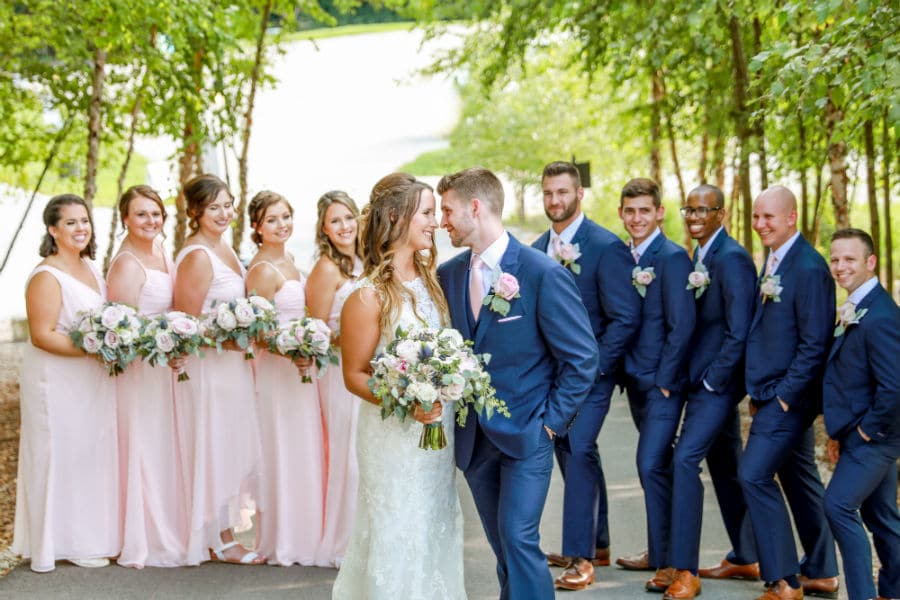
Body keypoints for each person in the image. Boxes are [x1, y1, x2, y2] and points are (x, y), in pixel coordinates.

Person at [437, 167, 598, 600]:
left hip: (528, 434)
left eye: (448, 210)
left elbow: (582, 357)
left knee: (519, 538)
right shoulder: (448, 275)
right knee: (503, 548)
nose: (442, 221)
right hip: (474, 440)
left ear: (475, 207)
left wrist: (551, 423)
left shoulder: (540, 273)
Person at [333, 172, 465, 599]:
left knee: (432, 525)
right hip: (392, 438)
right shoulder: (366, 296)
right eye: (427, 213)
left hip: (436, 438)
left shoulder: (432, 282)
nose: (436, 222)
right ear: (396, 216)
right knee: (397, 531)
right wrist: (408, 403)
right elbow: (354, 374)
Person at [531, 161, 640, 591]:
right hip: (552, 377)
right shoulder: (537, 248)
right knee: (571, 451)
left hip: (592, 375)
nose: (555, 201)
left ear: (579, 194)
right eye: (548, 193)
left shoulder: (606, 246)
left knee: (577, 447)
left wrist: (595, 370)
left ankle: (580, 557)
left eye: (562, 192)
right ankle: (597, 543)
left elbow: (625, 317)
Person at [739, 185, 839, 600]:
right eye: (757, 217)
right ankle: (822, 570)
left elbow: (815, 343)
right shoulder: (776, 259)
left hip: (789, 398)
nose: (761, 224)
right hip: (771, 392)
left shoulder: (810, 268)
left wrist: (782, 397)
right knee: (800, 479)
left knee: (753, 474)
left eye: (769, 218)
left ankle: (783, 579)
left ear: (792, 217)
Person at [13, 194, 120, 572]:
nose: (81, 229)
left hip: (89, 378)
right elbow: (43, 334)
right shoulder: (46, 275)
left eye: (85, 221)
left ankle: (88, 534)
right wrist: (93, 349)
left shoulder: (92, 268)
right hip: (54, 379)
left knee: (89, 453)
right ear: (53, 230)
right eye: (71, 222)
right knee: (60, 454)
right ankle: (58, 542)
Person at [664, 185, 758, 599]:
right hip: (702, 379)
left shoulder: (733, 259)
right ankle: (747, 555)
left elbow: (739, 332)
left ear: (722, 213)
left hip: (715, 384)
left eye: (704, 209)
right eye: (690, 209)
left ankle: (685, 570)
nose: (695, 216)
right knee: (726, 465)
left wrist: (712, 381)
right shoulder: (701, 255)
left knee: (684, 460)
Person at [172, 174, 265, 565]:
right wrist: (228, 338)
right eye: (214, 207)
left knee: (233, 447)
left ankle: (225, 531)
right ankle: (218, 538)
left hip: (233, 367)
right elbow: (185, 323)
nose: (224, 213)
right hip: (210, 370)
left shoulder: (223, 247)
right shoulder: (197, 255)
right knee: (215, 447)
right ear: (195, 212)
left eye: (228, 204)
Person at [613, 177, 695, 594]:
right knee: (654, 469)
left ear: (659, 212)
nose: (637, 217)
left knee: (650, 464)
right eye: (630, 211)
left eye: (645, 210)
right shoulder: (623, 255)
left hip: (662, 383)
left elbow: (683, 325)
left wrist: (665, 380)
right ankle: (658, 552)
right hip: (635, 379)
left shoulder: (673, 257)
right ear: (622, 214)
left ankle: (670, 564)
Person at [106, 185, 187, 568]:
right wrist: (161, 342)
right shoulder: (126, 263)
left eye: (156, 214)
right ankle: (146, 534)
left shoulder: (159, 252)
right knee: (145, 445)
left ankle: (171, 524)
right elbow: (122, 331)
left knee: (164, 445)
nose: (151, 221)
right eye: (142, 214)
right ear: (125, 218)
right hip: (140, 371)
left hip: (164, 366)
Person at [246, 191, 326, 566]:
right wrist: (293, 350)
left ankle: (308, 534)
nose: (282, 225)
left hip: (302, 369)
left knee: (304, 448)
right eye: (272, 220)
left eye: (286, 217)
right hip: (279, 371)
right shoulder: (262, 270)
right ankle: (285, 540)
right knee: (283, 448)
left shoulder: (291, 260)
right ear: (257, 227)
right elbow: (258, 334)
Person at [823, 228, 900, 600]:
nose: (840, 266)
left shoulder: (882, 315)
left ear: (870, 262)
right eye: (835, 259)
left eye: (849, 259)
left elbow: (895, 386)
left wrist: (866, 432)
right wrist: (838, 433)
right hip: (858, 430)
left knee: (837, 505)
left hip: (876, 435)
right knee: (882, 517)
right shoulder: (857, 305)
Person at [306, 190, 363, 567]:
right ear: (324, 229)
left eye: (348, 217)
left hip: (372, 369)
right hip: (341, 372)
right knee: (349, 455)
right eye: (335, 221)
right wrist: (356, 337)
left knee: (370, 454)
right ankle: (345, 541)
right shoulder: (326, 269)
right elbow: (316, 333)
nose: (344, 226)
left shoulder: (368, 261)